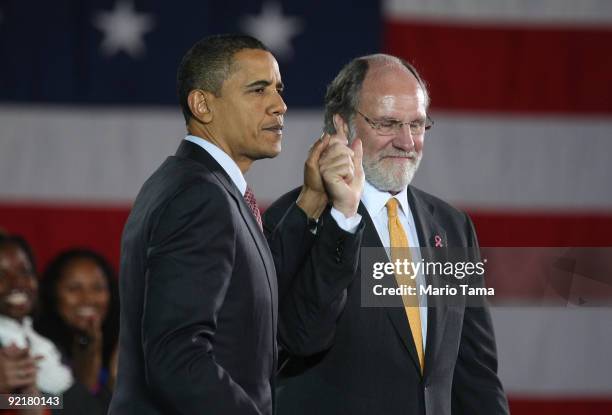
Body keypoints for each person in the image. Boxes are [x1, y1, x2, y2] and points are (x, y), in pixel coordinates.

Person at [108, 33, 362, 415]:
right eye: (258, 90)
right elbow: (177, 358)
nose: (280, 106)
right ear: (202, 105)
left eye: (278, 89)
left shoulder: (198, 184)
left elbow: (250, 289)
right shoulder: (199, 197)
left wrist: (311, 199)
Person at [263, 54, 510, 415]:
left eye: (418, 124)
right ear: (342, 126)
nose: (407, 142)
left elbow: (476, 373)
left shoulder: (453, 227)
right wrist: (343, 218)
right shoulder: (294, 219)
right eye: (389, 123)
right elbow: (301, 338)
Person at [0, 235, 104, 415]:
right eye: (1, 275)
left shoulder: (44, 344)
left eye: (24, 272)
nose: (17, 283)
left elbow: (73, 400)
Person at [34, 249, 119, 411]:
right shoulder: (31, 345)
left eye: (97, 288)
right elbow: (6, 402)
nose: (88, 298)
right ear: (52, 293)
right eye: (74, 289)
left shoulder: (120, 349)